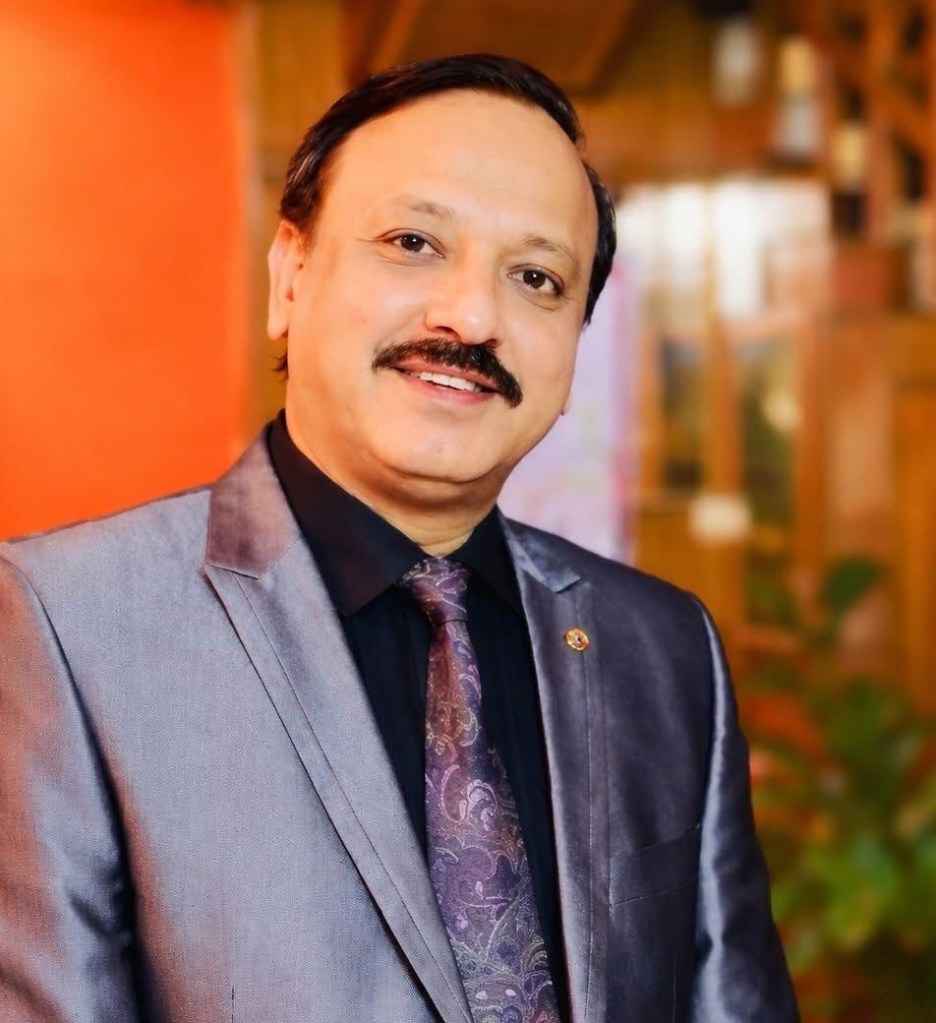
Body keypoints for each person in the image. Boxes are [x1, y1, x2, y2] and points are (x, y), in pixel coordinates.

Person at [0, 54, 798, 1023]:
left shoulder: (665, 650)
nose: (473, 316)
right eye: (413, 242)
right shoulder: (66, 629)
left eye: (537, 277)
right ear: (290, 275)